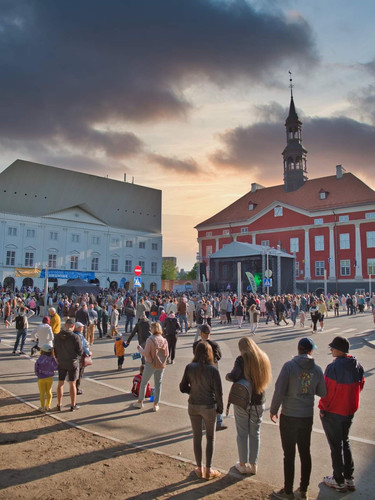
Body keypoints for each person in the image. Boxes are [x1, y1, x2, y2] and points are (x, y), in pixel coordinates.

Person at [270, 338, 326, 500]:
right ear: (310, 351)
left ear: (298, 349)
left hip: (289, 415)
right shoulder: (317, 369)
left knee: (289, 454)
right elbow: (322, 392)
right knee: (305, 452)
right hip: (306, 415)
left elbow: (279, 390)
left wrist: (273, 410)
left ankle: (288, 490)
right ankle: (303, 489)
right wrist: (308, 388)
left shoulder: (289, 366)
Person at [319, 336, 365, 493]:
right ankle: (349, 477)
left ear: (340, 350)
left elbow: (327, 392)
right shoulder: (356, 364)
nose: (330, 349)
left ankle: (338, 480)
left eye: (333, 347)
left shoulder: (333, 368)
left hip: (334, 411)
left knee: (335, 445)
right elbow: (361, 384)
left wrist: (323, 408)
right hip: (349, 410)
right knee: (345, 441)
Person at [226, 337, 272, 475]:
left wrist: (228, 376)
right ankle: (253, 464)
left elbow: (234, 376)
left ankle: (242, 463)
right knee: (255, 433)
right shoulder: (263, 357)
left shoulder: (242, 360)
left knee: (242, 433)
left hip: (243, 400)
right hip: (259, 399)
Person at [179, 341, 223, 480]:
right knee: (210, 437)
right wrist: (220, 408)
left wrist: (191, 391)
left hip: (193, 404)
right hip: (209, 405)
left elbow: (182, 387)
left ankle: (199, 468)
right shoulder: (213, 369)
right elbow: (219, 392)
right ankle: (209, 469)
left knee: (196, 437)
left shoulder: (190, 367)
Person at [193, 324, 227, 431]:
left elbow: (195, 355)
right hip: (213, 374)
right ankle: (218, 420)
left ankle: (203, 422)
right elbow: (219, 357)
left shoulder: (196, 344)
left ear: (201, 333)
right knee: (216, 397)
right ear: (209, 333)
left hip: (200, 373)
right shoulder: (215, 345)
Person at [132, 322, 168, 412]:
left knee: (144, 382)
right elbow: (167, 354)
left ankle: (140, 401)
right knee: (158, 384)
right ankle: (156, 404)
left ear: (152, 329)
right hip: (161, 365)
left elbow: (145, 353)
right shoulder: (164, 340)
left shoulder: (150, 340)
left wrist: (139, 349)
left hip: (150, 364)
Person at [54, 318, 83, 411]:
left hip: (61, 361)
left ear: (65, 325)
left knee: (60, 383)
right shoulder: (75, 337)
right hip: (72, 361)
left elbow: (55, 349)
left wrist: (58, 358)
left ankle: (59, 404)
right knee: (72, 383)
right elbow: (80, 351)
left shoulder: (58, 336)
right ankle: (72, 405)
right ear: (73, 326)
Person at [34, 344, 58, 411]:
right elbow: (56, 367)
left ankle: (42, 407)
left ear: (42, 351)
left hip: (41, 378)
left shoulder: (40, 359)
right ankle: (48, 406)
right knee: (49, 392)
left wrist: (38, 374)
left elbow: (36, 368)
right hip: (49, 377)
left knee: (42, 393)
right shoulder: (52, 358)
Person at [73, 322, 91, 395]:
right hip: (80, 355)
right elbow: (83, 345)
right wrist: (88, 352)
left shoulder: (72, 334)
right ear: (78, 328)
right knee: (80, 372)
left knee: (74, 372)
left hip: (73, 356)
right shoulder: (79, 335)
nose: (83, 328)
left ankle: (73, 387)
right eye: (81, 327)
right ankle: (76, 388)